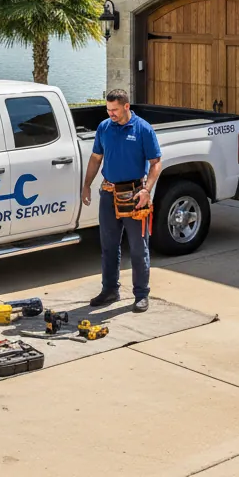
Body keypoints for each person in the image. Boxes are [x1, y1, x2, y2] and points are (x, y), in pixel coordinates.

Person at [81, 88, 162, 312]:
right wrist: (86, 185)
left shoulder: (143, 129)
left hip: (135, 195)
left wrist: (146, 190)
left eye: (115, 110)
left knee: (138, 248)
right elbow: (96, 158)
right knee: (108, 246)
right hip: (108, 193)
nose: (111, 114)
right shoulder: (104, 127)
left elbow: (156, 163)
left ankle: (141, 294)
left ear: (126, 106)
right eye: (108, 110)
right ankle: (109, 290)